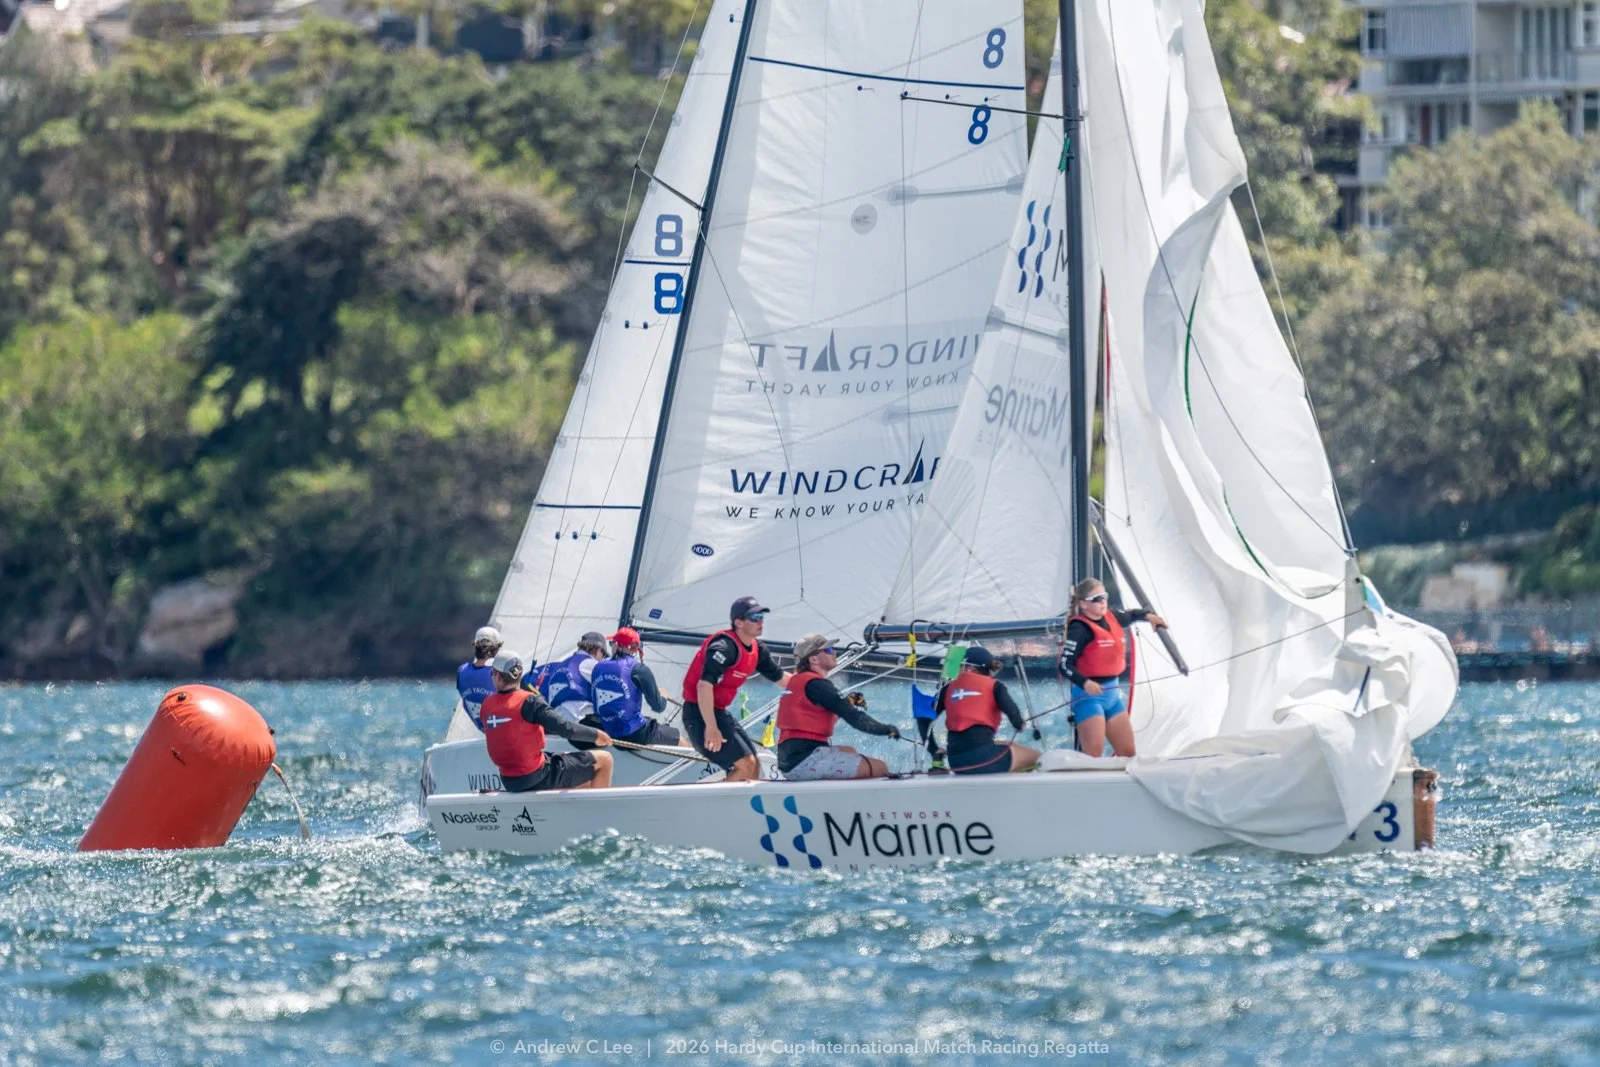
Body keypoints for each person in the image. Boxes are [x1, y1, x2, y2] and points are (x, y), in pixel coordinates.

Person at [680, 595, 790, 782]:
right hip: (699, 714)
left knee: (754, 765)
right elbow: (704, 685)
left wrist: (813, 683)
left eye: (761, 617)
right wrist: (711, 727)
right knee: (746, 764)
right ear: (738, 622)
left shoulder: (757, 649)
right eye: (754, 618)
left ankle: (732, 799)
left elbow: (782, 679)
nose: (760, 622)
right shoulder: (723, 647)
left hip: (719, 712)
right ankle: (716, 801)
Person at [1059, 579, 1167, 758]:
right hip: (1088, 697)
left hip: (1112, 696)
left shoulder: (1112, 616)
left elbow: (1132, 615)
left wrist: (1150, 617)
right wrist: (1085, 683)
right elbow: (1064, 665)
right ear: (1083, 604)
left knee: (1128, 753)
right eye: (1096, 599)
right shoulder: (1079, 629)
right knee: (1094, 753)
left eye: (1104, 596)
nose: (1103, 602)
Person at [481, 651, 614, 792]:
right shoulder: (530, 702)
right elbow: (566, 729)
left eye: (492, 673)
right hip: (537, 777)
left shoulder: (486, 705)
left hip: (509, 780)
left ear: (498, 676)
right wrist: (596, 735)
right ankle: (599, 806)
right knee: (605, 759)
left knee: (577, 772)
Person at [776, 634, 900, 781]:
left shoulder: (802, 682)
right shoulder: (818, 685)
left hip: (791, 761)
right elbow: (855, 718)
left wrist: (849, 701)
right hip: (804, 762)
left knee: (850, 751)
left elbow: (818, 715)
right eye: (828, 650)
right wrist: (887, 729)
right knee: (880, 767)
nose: (834, 652)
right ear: (813, 659)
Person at [934, 646, 1039, 774]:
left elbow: (923, 718)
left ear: (969, 668)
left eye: (960, 666)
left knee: (1005, 745)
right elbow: (1014, 715)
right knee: (1035, 757)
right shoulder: (995, 686)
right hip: (984, 761)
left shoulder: (947, 689)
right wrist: (1019, 724)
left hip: (956, 763)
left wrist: (933, 749)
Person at [589, 627, 682, 748]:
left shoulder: (598, 667)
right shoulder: (639, 669)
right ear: (635, 649)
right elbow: (658, 707)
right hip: (633, 733)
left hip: (605, 730)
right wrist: (663, 696)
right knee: (680, 740)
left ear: (616, 645)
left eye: (612, 643)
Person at [533, 631, 609, 723]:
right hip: (581, 722)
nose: (602, 658)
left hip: (556, 722)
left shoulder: (558, 667)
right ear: (598, 649)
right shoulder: (591, 664)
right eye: (604, 654)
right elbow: (613, 685)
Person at [455, 625, 501, 731]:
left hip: (485, 731)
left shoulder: (462, 671)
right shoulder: (498, 673)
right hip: (505, 732)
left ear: (475, 646)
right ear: (497, 649)